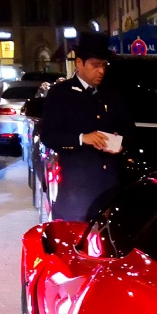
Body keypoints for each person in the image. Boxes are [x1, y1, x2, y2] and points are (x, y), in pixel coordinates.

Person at [36, 31, 133, 222]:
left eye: (104, 65)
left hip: (109, 189)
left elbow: (130, 130)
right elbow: (48, 135)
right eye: (95, 65)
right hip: (77, 191)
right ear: (79, 63)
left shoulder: (111, 94)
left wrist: (120, 143)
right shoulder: (61, 94)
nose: (101, 71)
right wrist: (82, 138)